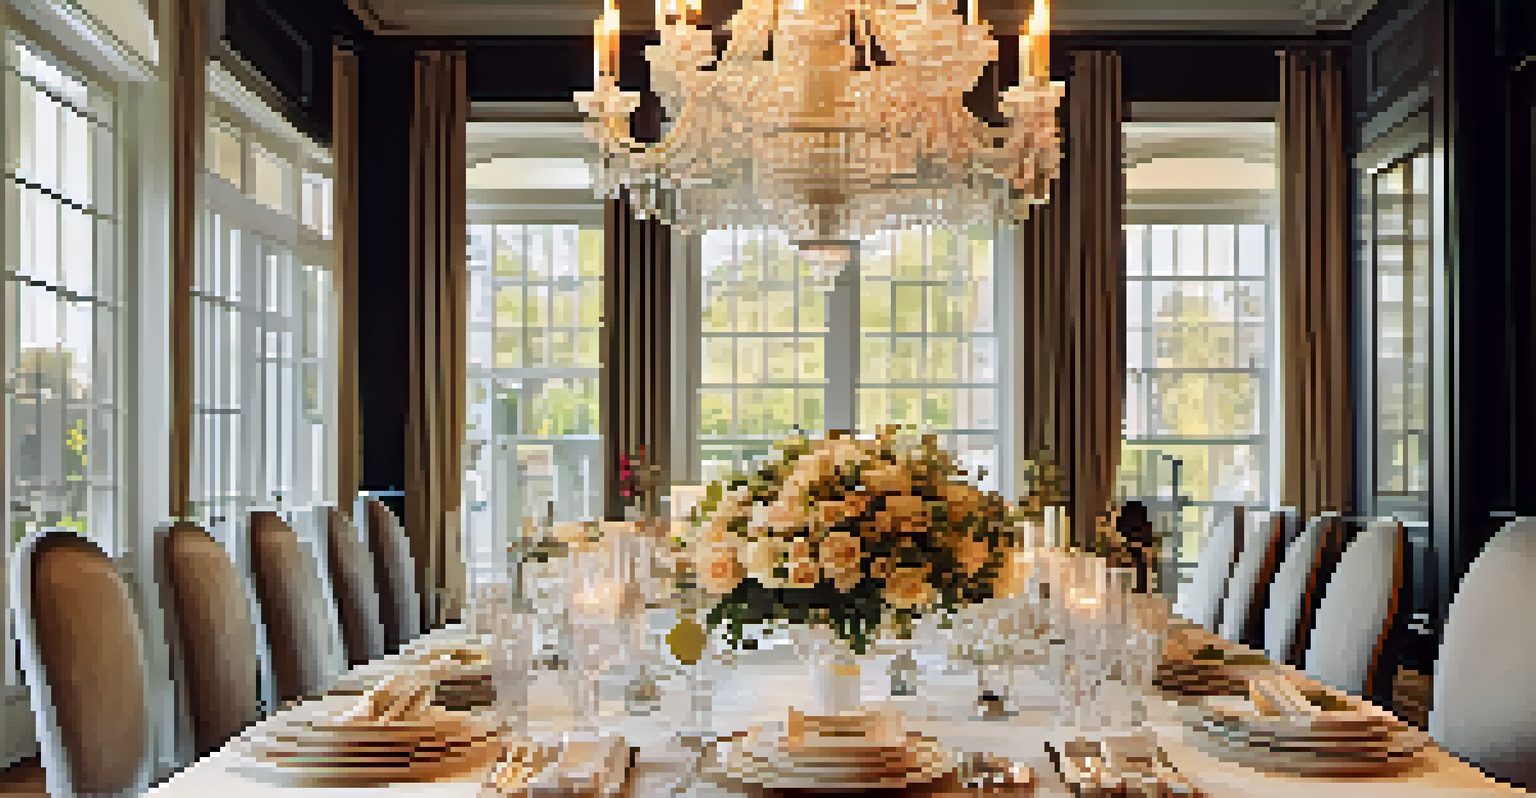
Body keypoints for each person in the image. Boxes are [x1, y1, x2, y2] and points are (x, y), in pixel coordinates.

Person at [1117, 500, 1156, 593]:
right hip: (1137, 539)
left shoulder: (1130, 512)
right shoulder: (1139, 513)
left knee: (1139, 561)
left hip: (1134, 539)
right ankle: (1141, 586)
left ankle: (1139, 586)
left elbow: (1122, 527)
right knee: (1140, 562)